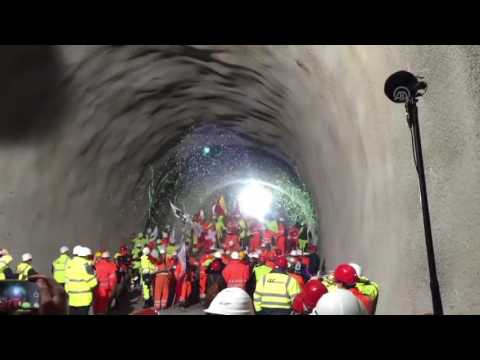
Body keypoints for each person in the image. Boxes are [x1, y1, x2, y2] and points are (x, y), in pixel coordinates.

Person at [65, 246, 98, 315]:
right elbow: (93, 283)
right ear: (86, 255)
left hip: (72, 299)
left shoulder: (69, 264)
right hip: (84, 300)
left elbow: (67, 282)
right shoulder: (86, 265)